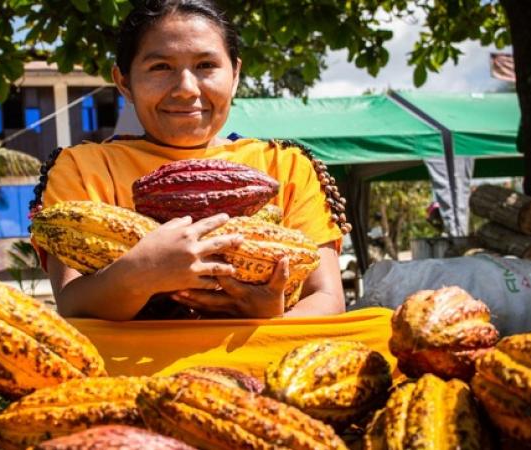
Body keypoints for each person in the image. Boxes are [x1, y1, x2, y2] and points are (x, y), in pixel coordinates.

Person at [33, 0, 345, 320]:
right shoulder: (83, 168)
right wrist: (139, 275)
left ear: (235, 74)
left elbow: (327, 297)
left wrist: (272, 316)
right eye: (160, 67)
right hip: (131, 368)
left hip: (260, 361)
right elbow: (72, 303)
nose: (186, 89)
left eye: (206, 65)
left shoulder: (286, 166)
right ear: (124, 81)